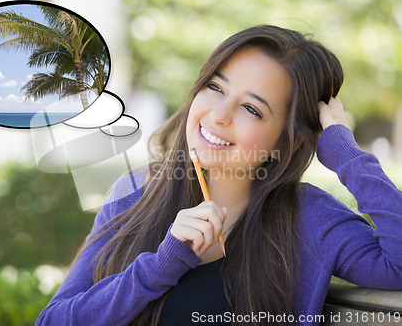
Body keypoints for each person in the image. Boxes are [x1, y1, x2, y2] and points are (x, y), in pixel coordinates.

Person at [35, 25, 402, 326]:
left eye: (250, 108)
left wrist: (347, 156)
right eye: (215, 87)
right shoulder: (134, 191)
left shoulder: (309, 218)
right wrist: (160, 267)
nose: (218, 115)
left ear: (289, 143)